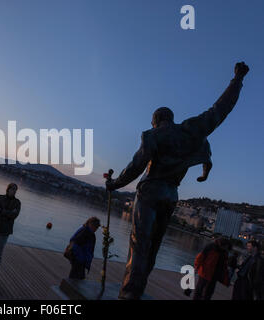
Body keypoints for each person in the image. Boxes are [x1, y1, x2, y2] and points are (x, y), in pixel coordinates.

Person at [106, 62, 250, 300]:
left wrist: (114, 184)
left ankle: (129, 293)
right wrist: (237, 79)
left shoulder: (152, 135)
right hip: (171, 195)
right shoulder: (191, 133)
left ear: (156, 120)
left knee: (139, 244)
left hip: (151, 192)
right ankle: (137, 290)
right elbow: (219, 110)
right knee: (153, 247)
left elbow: (136, 166)